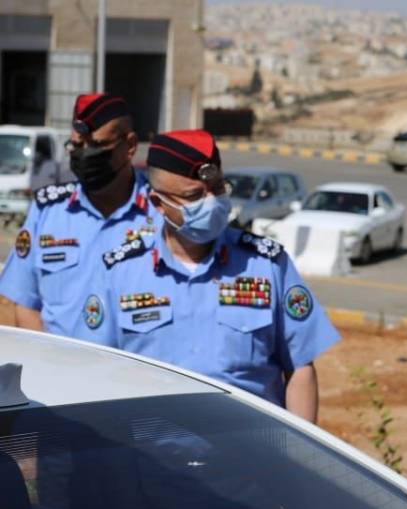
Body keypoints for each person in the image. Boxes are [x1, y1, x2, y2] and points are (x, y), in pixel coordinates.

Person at [97, 130, 339, 420]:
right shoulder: (120, 272)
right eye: (194, 196)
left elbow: (300, 368)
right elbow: (98, 370)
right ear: (159, 203)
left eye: (218, 188)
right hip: (152, 444)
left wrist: (300, 445)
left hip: (250, 443)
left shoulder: (266, 264)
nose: (212, 202)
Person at [0, 93, 154, 340]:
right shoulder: (47, 211)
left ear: (130, 146)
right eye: (77, 146)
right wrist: (50, 359)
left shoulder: (160, 210)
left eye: (97, 146)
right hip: (59, 362)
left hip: (134, 363)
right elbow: (24, 303)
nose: (85, 155)